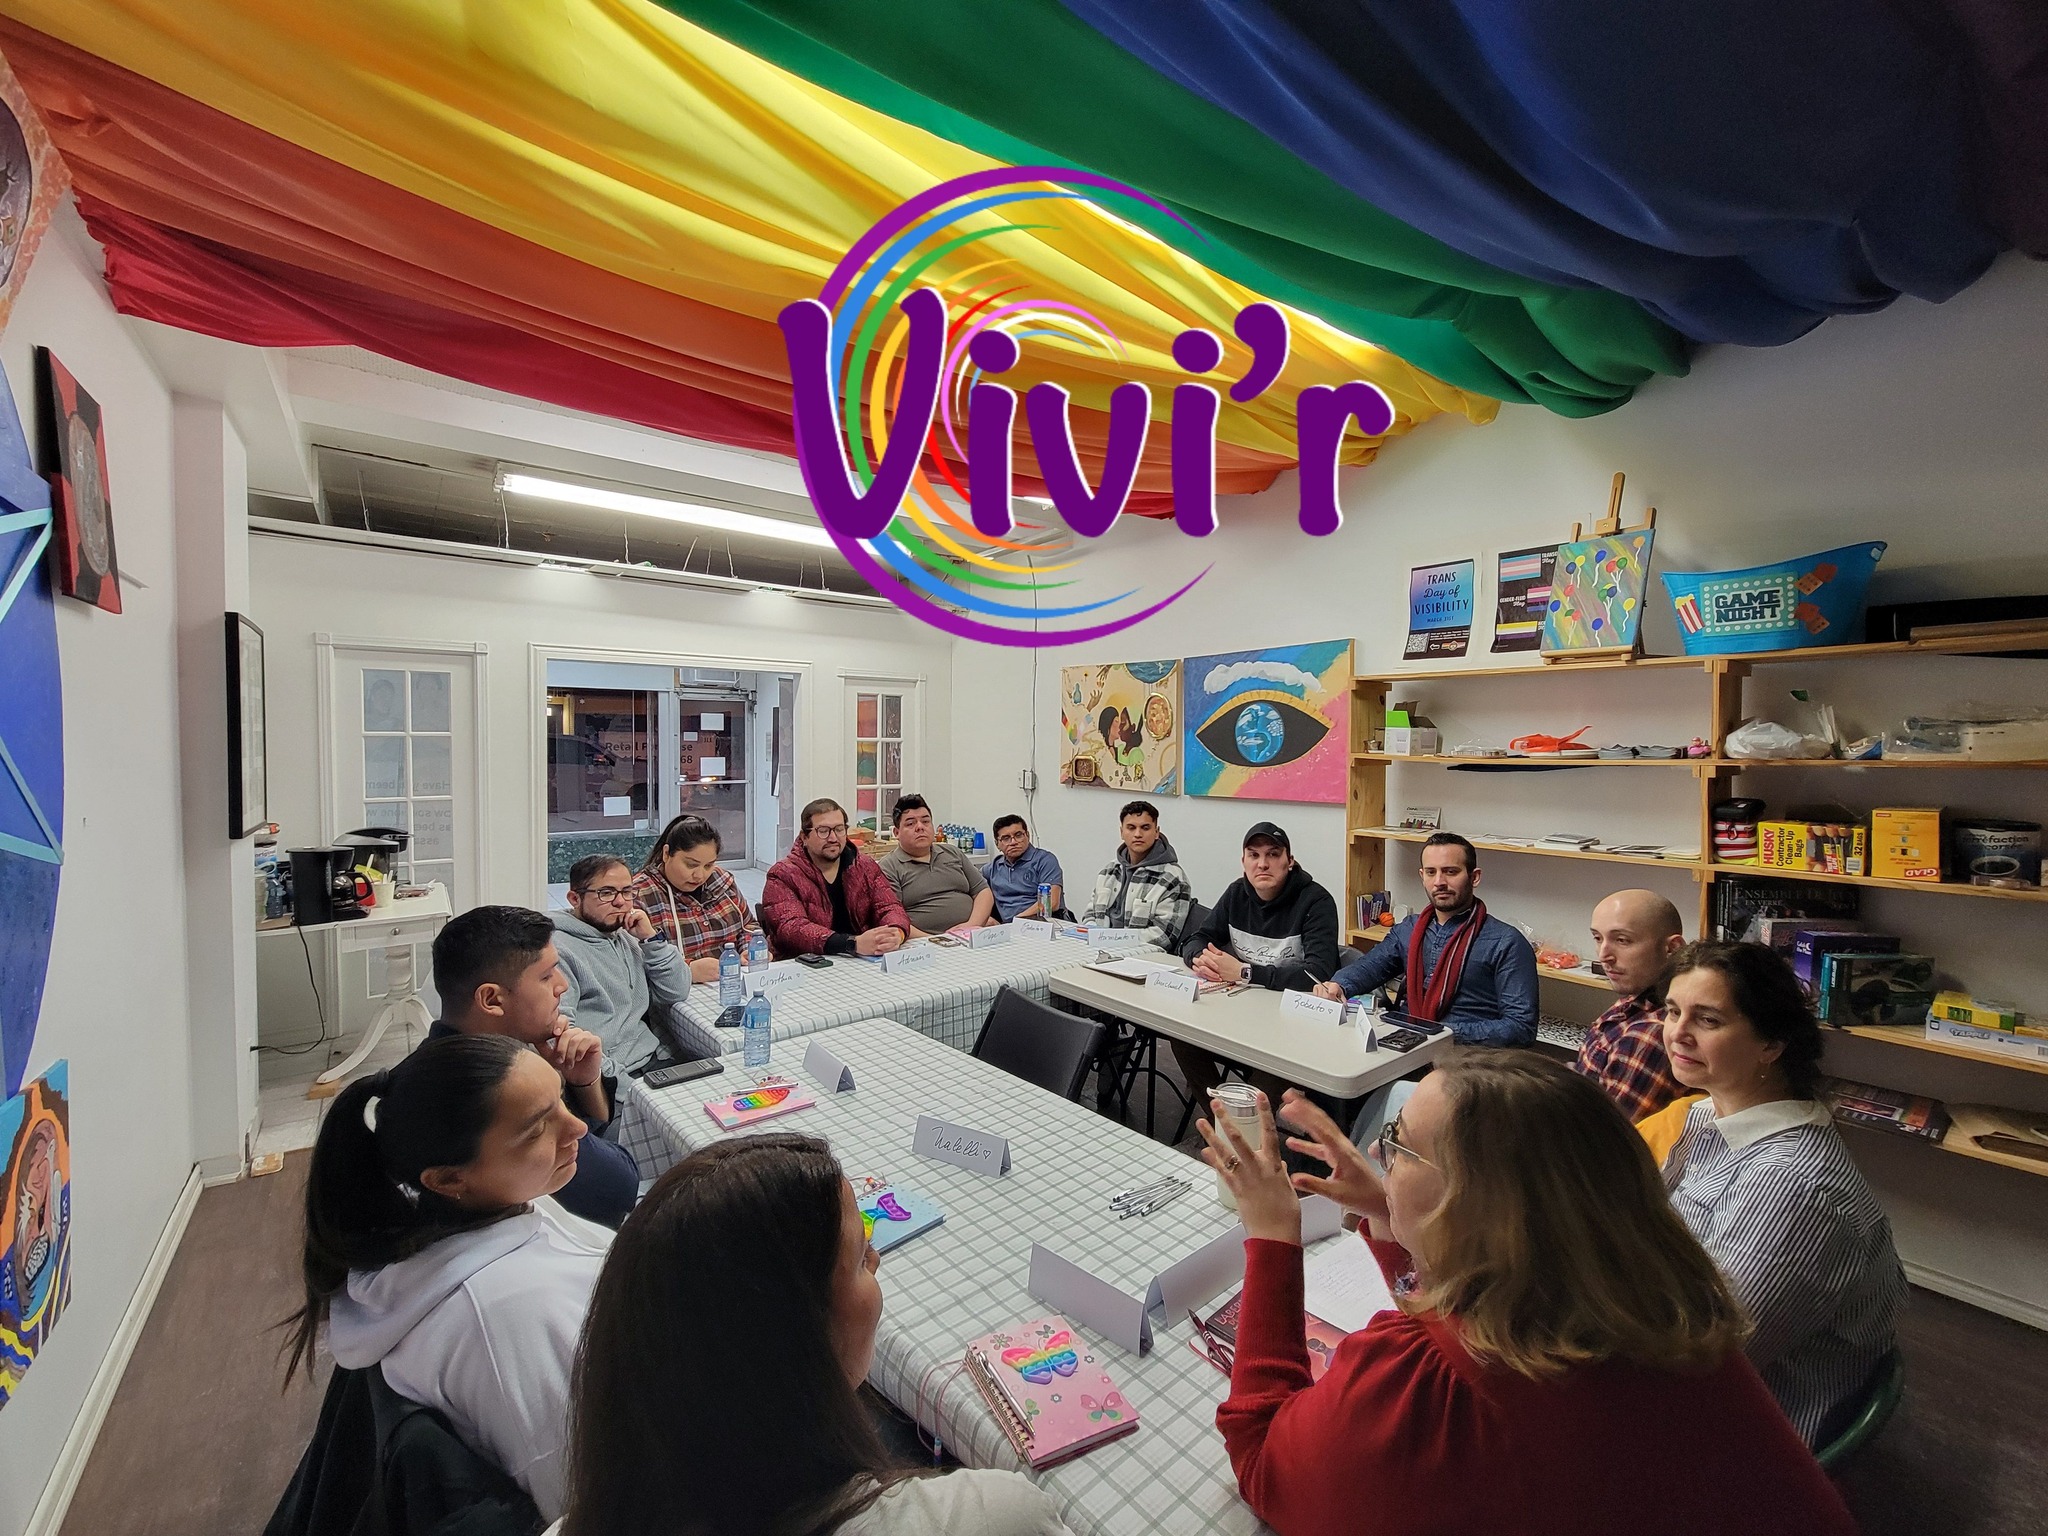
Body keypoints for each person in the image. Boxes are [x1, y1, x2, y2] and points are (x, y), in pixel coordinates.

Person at [1197, 1057, 1857, 1536]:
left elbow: (1262, 1457)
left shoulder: (1436, 1383)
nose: (1380, 1155)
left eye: (1397, 1145)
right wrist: (1392, 1211)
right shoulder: (1662, 1310)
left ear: (1473, 1206)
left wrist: (1273, 1237)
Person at [555, 1134, 1071, 1536]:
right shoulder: (993, 1517)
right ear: (791, 1339)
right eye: (858, 1259)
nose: (876, 1259)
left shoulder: (581, 1518)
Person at [286, 1034, 607, 1523]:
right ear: (448, 1179)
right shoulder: (503, 1319)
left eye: (561, 1100)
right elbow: (581, 1498)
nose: (578, 1127)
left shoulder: (507, 1206)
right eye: (537, 1128)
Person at [1661, 941, 1906, 1446]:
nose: (1676, 1033)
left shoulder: (1793, 1185)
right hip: (1680, 1328)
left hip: (1754, 1425)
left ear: (1771, 1045)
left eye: (1706, 1020)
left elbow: (1708, 1359)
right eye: (1671, 1011)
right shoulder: (1710, 1114)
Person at [429, 905, 640, 1229]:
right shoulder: (487, 1088)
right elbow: (618, 1185)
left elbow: (595, 1137)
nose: (562, 986)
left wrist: (584, 1083)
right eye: (546, 976)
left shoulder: (473, 1054)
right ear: (492, 1000)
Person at [1171, 823, 1340, 1106]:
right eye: (1254, 855)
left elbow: (1318, 974)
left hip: (1294, 1028)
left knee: (1260, 1087)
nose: (1263, 864)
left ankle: (1238, 1133)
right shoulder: (1237, 893)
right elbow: (1197, 938)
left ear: (1290, 861)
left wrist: (1245, 973)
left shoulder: (1316, 901)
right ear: (1244, 862)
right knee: (1182, 1037)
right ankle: (1225, 1127)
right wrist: (1200, 958)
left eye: (1273, 854)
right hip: (1243, 1014)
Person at [1313, 833, 1538, 1045]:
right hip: (1404, 1041)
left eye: (1450, 872)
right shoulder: (1409, 929)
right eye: (1431, 872)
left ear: (1474, 877)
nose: (1439, 881)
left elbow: (1520, 1028)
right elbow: (1370, 967)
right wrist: (1338, 985)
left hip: (1468, 1057)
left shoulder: (1506, 942)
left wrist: (1439, 1033)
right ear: (1422, 876)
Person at [552, 855, 691, 1074]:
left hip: (654, 1059)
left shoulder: (627, 935)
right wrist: (623, 1089)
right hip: (615, 1076)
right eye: (606, 893)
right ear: (574, 899)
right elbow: (561, 1038)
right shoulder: (556, 953)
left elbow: (677, 991)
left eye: (627, 892)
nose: (621, 902)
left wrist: (651, 940)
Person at [1571, 889, 1689, 1121]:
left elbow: (1604, 1140)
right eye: (1597, 938)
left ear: (1672, 948)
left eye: (1622, 940)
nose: (1604, 955)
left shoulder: (1651, 1034)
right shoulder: (1637, 1000)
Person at [761, 798, 912, 959]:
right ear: (804, 837)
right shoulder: (782, 875)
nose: (833, 838)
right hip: (804, 964)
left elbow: (890, 907)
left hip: (862, 961)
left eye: (839, 829)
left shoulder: (865, 866)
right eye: (823, 831)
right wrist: (852, 943)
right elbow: (792, 928)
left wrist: (896, 932)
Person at [630, 814, 751, 983]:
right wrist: (687, 970)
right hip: (676, 996)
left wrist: (749, 949)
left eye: (709, 865)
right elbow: (631, 962)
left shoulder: (721, 880)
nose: (700, 875)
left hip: (732, 984)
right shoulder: (638, 895)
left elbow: (748, 925)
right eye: (691, 865)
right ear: (666, 854)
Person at [1077, 800, 1194, 950]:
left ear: (1156, 832)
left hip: (1141, 958)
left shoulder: (1173, 878)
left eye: (1145, 828)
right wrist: (1094, 936)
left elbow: (1164, 936)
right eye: (1131, 828)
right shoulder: (1109, 871)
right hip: (1098, 950)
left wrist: (1114, 943)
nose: (1138, 834)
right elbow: (1089, 915)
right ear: (1121, 832)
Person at [876, 794, 993, 935]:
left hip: (972, 933)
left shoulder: (952, 852)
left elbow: (983, 891)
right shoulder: (889, 867)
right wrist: (937, 942)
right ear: (896, 832)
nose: (920, 827)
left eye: (925, 821)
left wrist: (972, 926)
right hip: (925, 942)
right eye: (910, 823)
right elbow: (893, 918)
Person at [985, 813, 1064, 921]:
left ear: (1027, 835)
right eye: (1006, 838)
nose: (1013, 842)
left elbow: (1051, 903)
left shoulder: (1044, 860)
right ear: (997, 844)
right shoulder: (992, 868)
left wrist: (1017, 921)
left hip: (1043, 924)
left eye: (1018, 835)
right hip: (1006, 929)